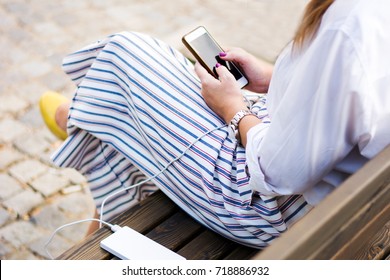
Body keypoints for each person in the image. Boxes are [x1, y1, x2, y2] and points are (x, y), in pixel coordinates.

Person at [39, 0, 390, 248]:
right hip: (339, 194)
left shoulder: (350, 20)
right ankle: (87, 118)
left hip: (270, 207)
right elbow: (350, 97)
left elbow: (280, 172)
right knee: (139, 95)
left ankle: (80, 119)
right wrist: (272, 79)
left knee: (123, 55)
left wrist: (233, 109)